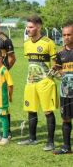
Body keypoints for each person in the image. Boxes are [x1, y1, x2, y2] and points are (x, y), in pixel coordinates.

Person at [18, 16, 57, 151]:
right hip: (30, 82)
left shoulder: (48, 43)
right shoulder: (26, 44)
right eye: (27, 27)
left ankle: (51, 142)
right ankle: (32, 138)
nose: (28, 30)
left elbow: (55, 63)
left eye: (31, 27)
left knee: (48, 111)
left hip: (45, 82)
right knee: (31, 110)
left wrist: (51, 75)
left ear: (39, 27)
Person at [53, 21, 73, 155]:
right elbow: (58, 71)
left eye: (69, 34)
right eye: (64, 34)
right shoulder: (60, 54)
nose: (66, 37)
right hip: (65, 92)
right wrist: (56, 71)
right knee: (66, 118)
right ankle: (66, 147)